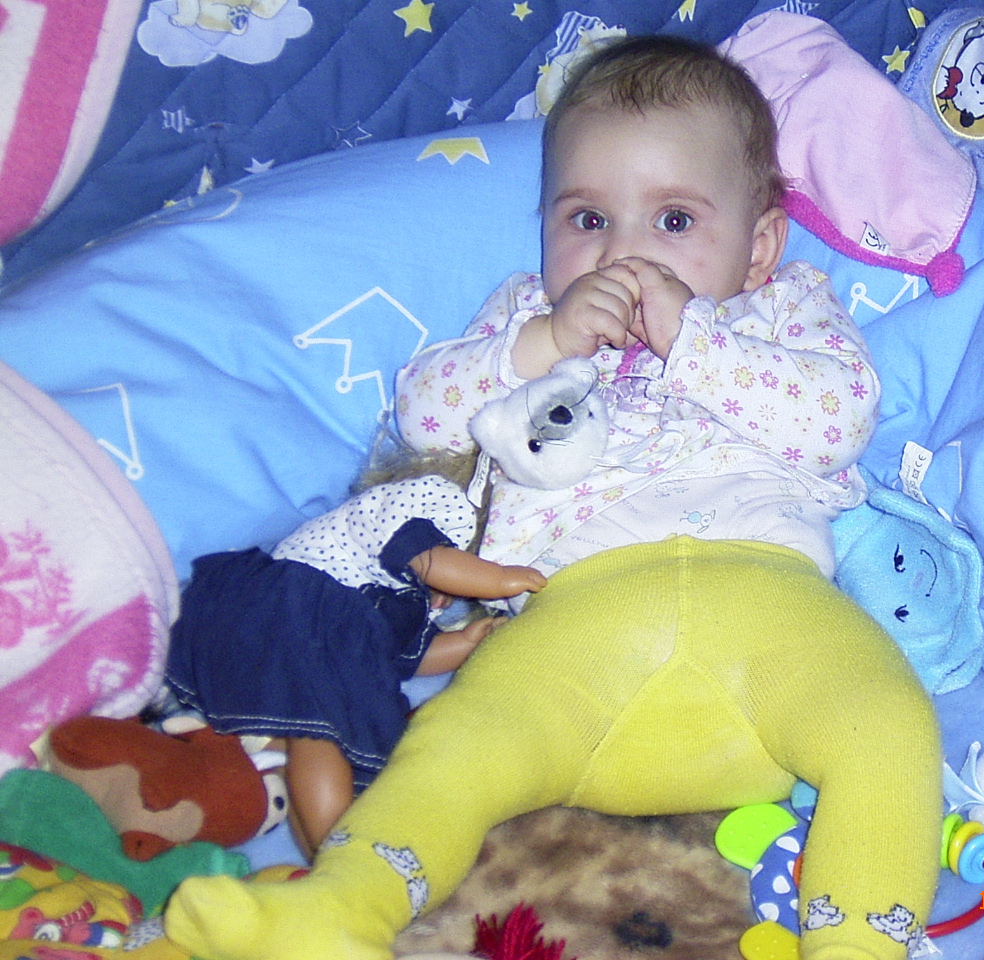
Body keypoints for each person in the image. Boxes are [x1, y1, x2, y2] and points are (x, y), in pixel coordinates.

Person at [166, 34, 941, 960]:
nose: (623, 253)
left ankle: (859, 945)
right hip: (576, 618)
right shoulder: (528, 319)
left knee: (888, 720)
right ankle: (338, 910)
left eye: (676, 221)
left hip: (775, 605)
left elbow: (839, 418)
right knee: (457, 740)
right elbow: (425, 414)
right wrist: (542, 345)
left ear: (760, 245)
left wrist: (698, 343)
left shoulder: (782, 310)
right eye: (587, 218)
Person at [163, 452, 546, 857]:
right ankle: (341, 856)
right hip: (291, 610)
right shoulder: (420, 503)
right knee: (321, 733)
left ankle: (320, 860)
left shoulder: (398, 602)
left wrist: (467, 641)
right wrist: (498, 578)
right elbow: (427, 558)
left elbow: (408, 657)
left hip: (283, 647)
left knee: (311, 743)